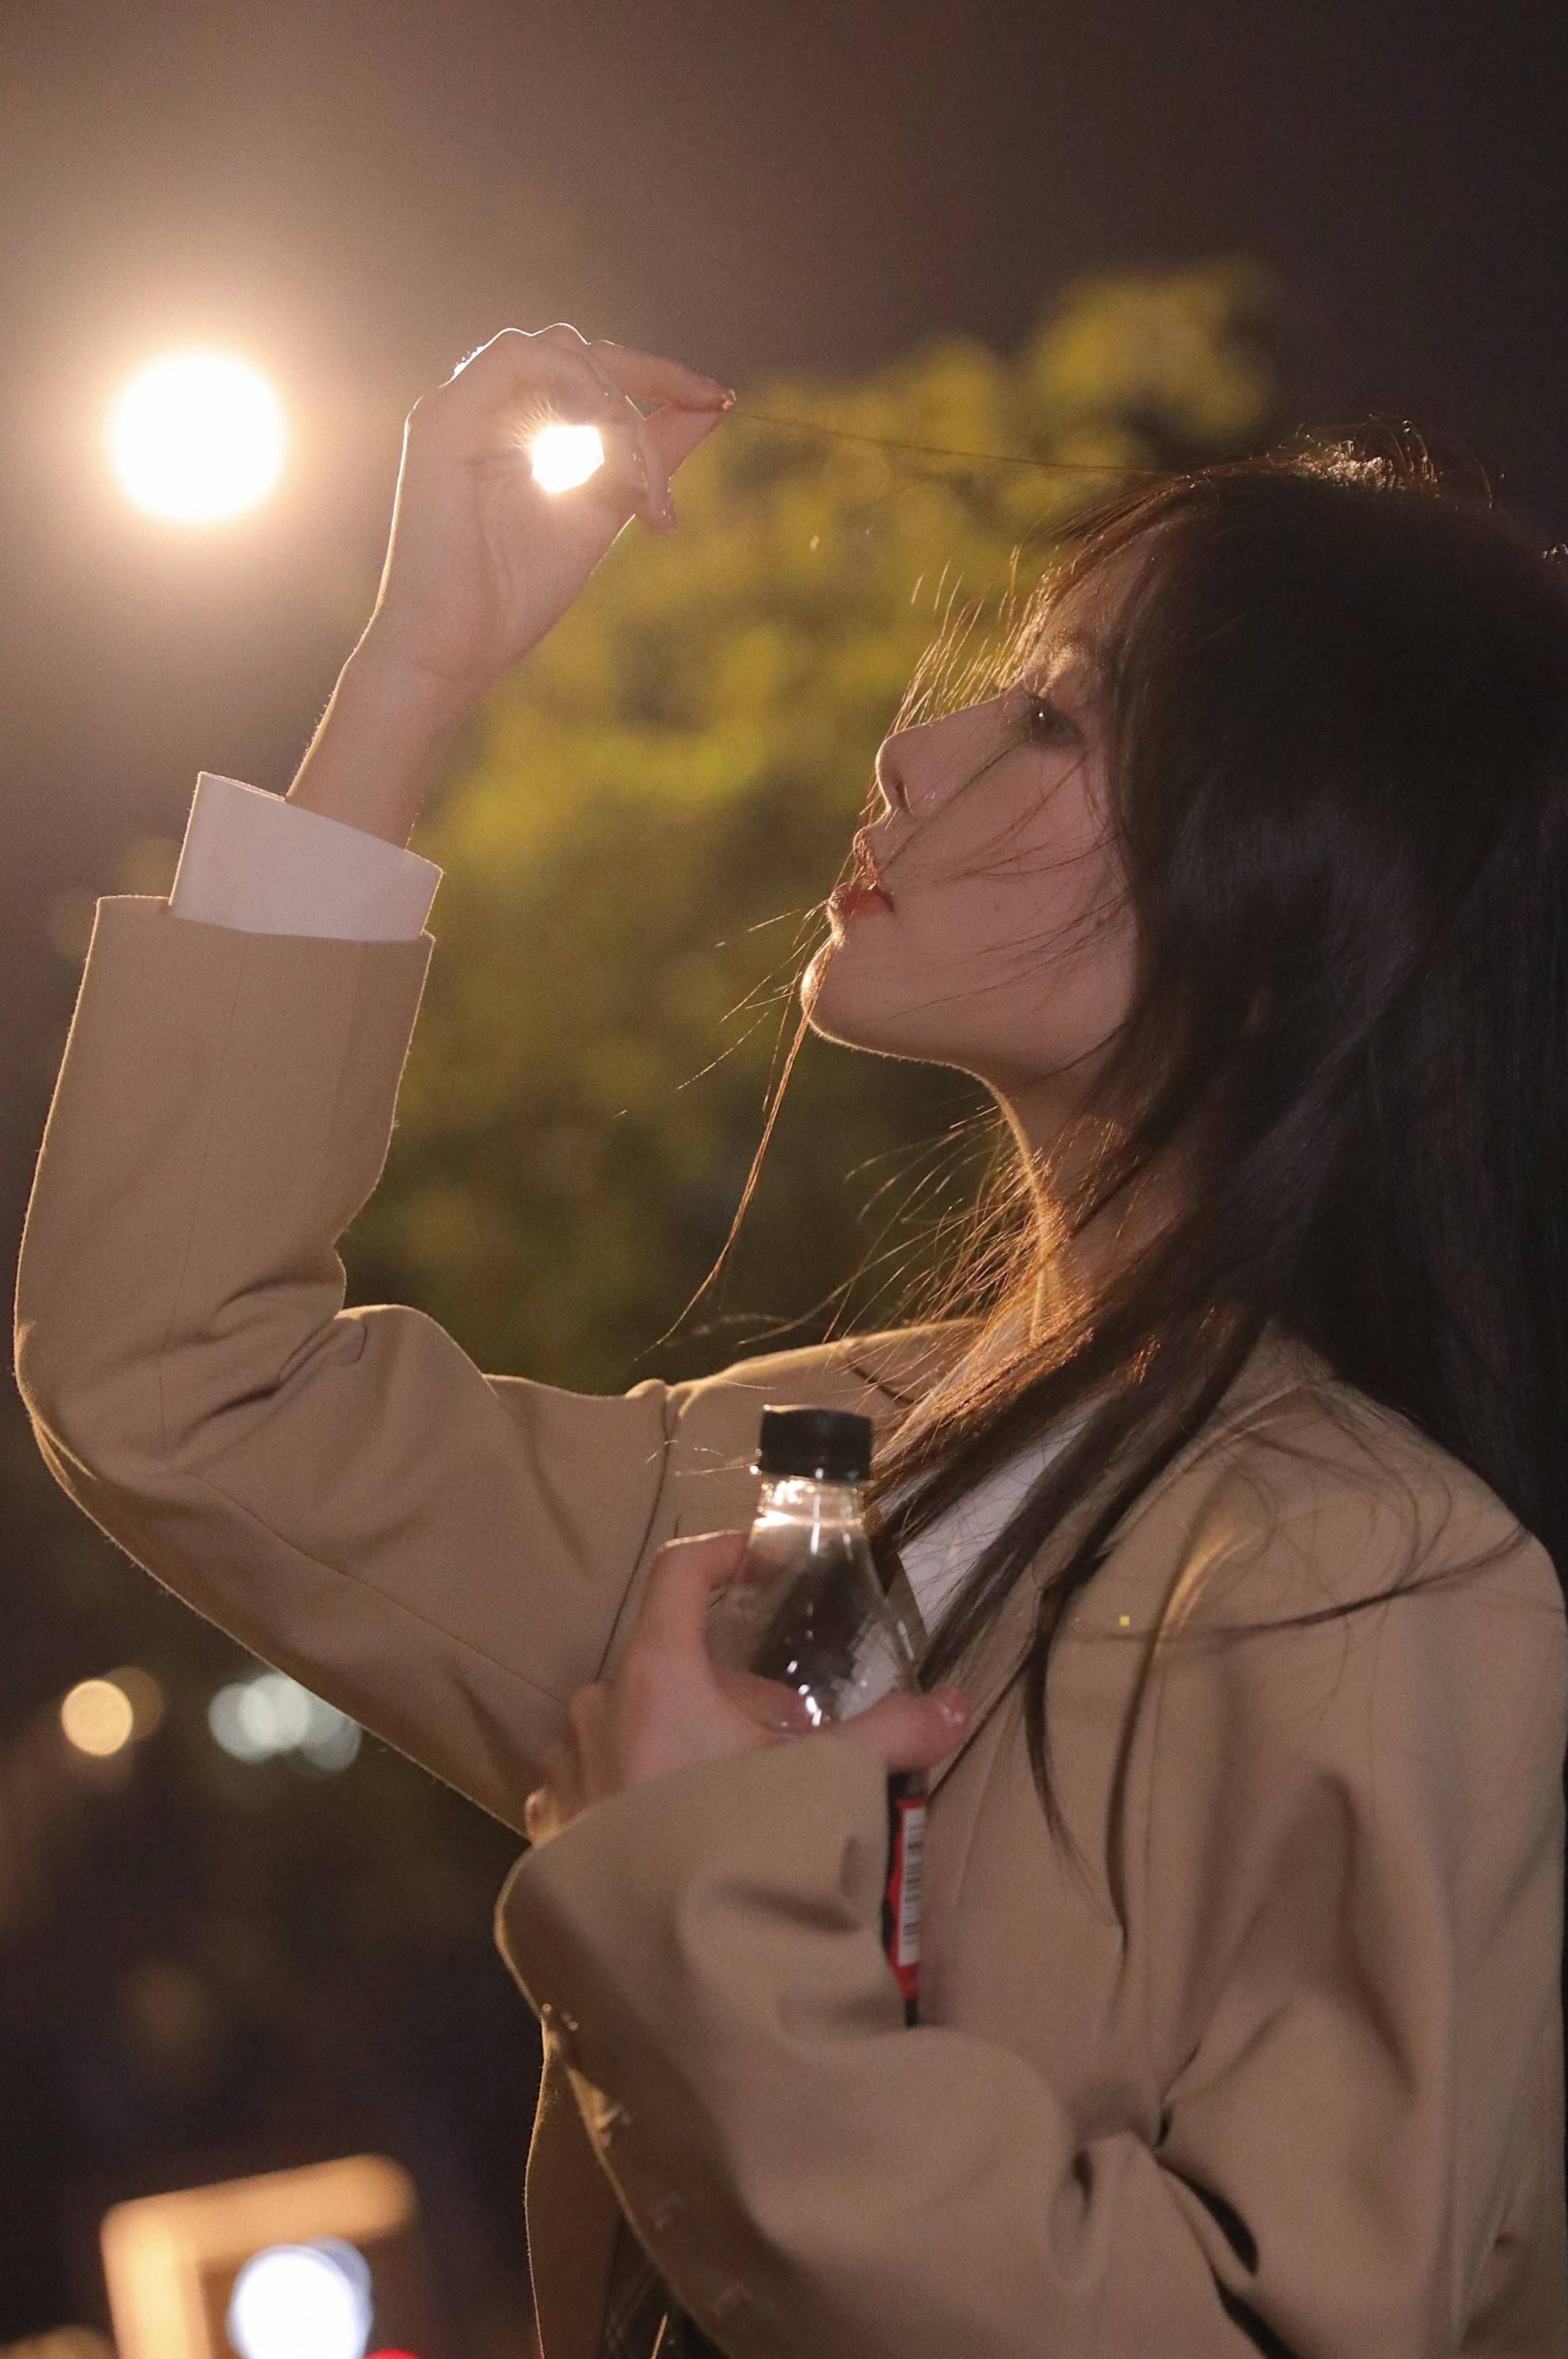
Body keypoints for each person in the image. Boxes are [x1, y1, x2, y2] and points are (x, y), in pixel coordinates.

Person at [14, 321, 1568, 2358]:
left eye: (1053, 719)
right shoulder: (783, 1477)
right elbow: (180, 1377)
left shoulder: (1379, 1580)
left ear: (1301, 901)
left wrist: (693, 1900)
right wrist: (416, 669)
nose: (913, 748)